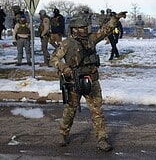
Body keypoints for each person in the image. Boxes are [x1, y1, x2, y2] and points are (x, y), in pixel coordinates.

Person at [50, 10, 127, 152]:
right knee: (70, 110)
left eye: (86, 27)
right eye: (82, 27)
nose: (85, 30)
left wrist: (115, 19)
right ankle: (63, 133)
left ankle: (102, 139)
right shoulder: (67, 44)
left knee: (97, 111)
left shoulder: (92, 39)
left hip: (91, 80)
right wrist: (63, 67)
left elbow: (105, 30)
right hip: (74, 82)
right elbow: (53, 59)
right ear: (74, 29)